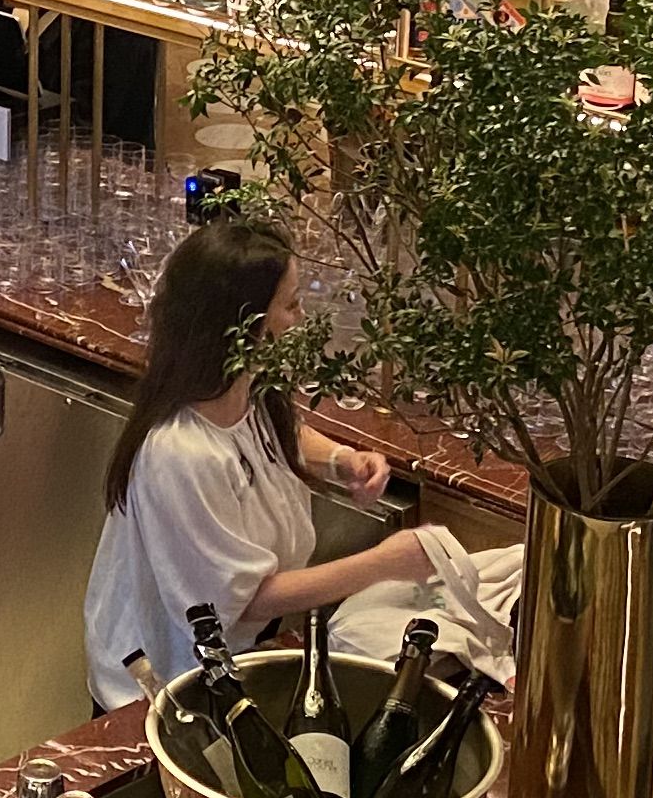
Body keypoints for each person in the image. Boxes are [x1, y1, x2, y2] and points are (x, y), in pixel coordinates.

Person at [82, 215, 464, 712]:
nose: (299, 319)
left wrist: (341, 460)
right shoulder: (179, 454)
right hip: (162, 683)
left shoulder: (244, 385)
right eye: (291, 305)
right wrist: (384, 563)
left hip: (233, 657)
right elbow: (243, 599)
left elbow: (277, 433)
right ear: (244, 325)